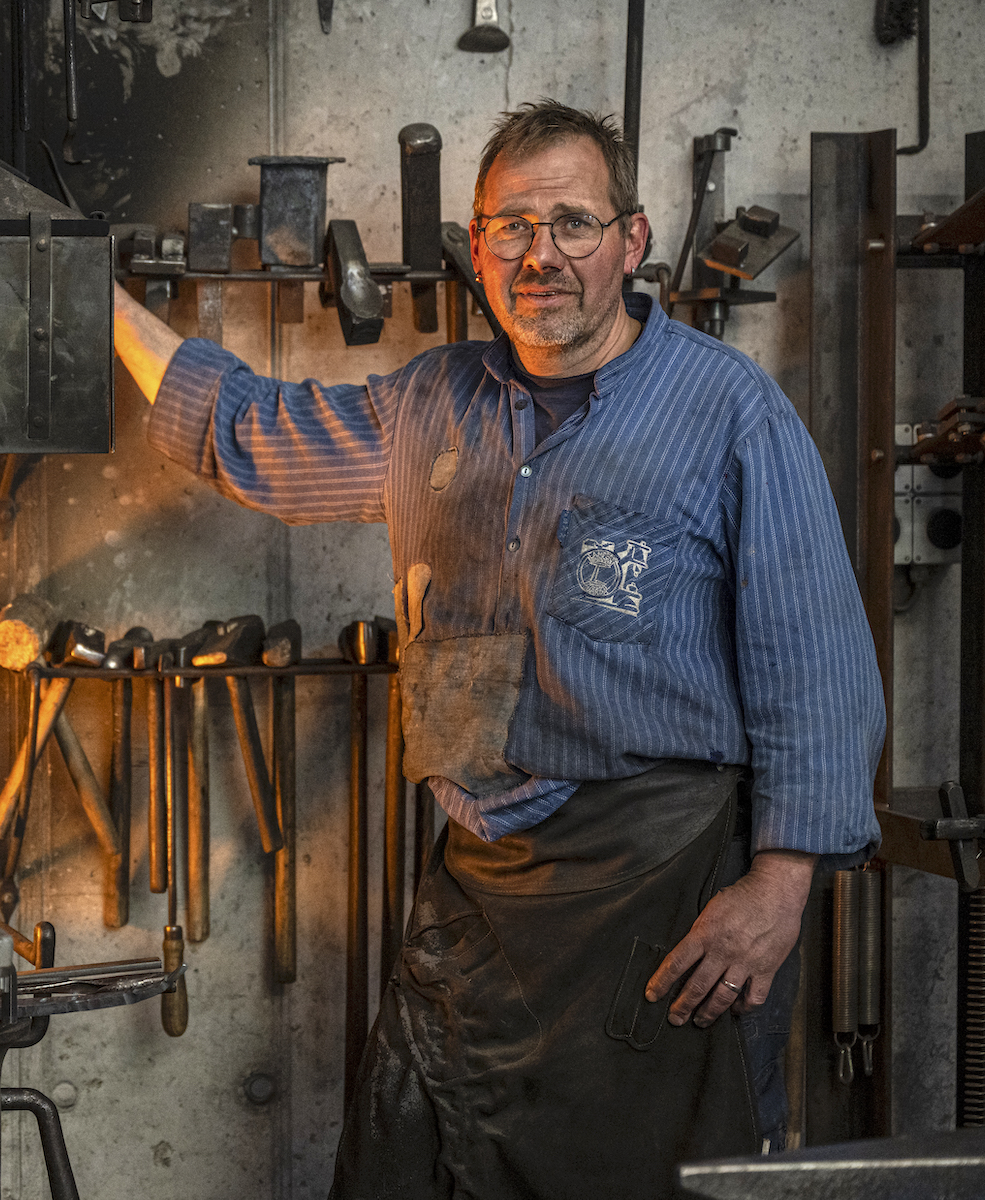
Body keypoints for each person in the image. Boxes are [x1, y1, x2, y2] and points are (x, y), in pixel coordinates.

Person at [112, 101, 884, 1199]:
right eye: (510, 227)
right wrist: (95, 312)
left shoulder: (728, 414)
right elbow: (257, 434)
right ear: (474, 250)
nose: (541, 255)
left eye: (571, 223)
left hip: (657, 894)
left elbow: (817, 667)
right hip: (480, 884)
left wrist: (779, 887)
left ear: (631, 238)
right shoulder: (432, 402)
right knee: (414, 1167)